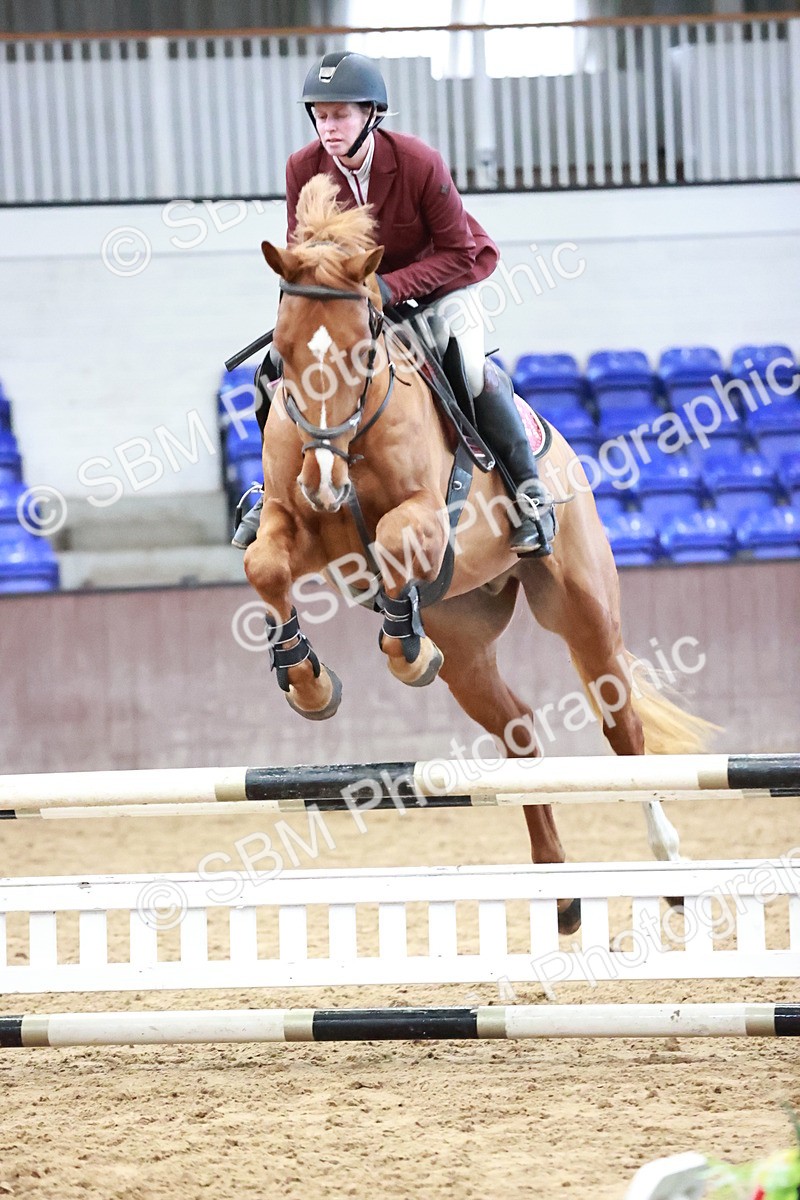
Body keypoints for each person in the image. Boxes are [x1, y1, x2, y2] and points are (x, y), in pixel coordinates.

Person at [232, 50, 555, 556]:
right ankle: (272, 490)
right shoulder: (302, 167)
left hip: (438, 283)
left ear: (371, 115)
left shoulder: (418, 162)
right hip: (353, 300)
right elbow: (303, 256)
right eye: (320, 115)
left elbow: (459, 251)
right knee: (273, 368)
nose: (328, 127)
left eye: (339, 115)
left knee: (470, 368)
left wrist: (389, 288)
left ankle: (528, 492)